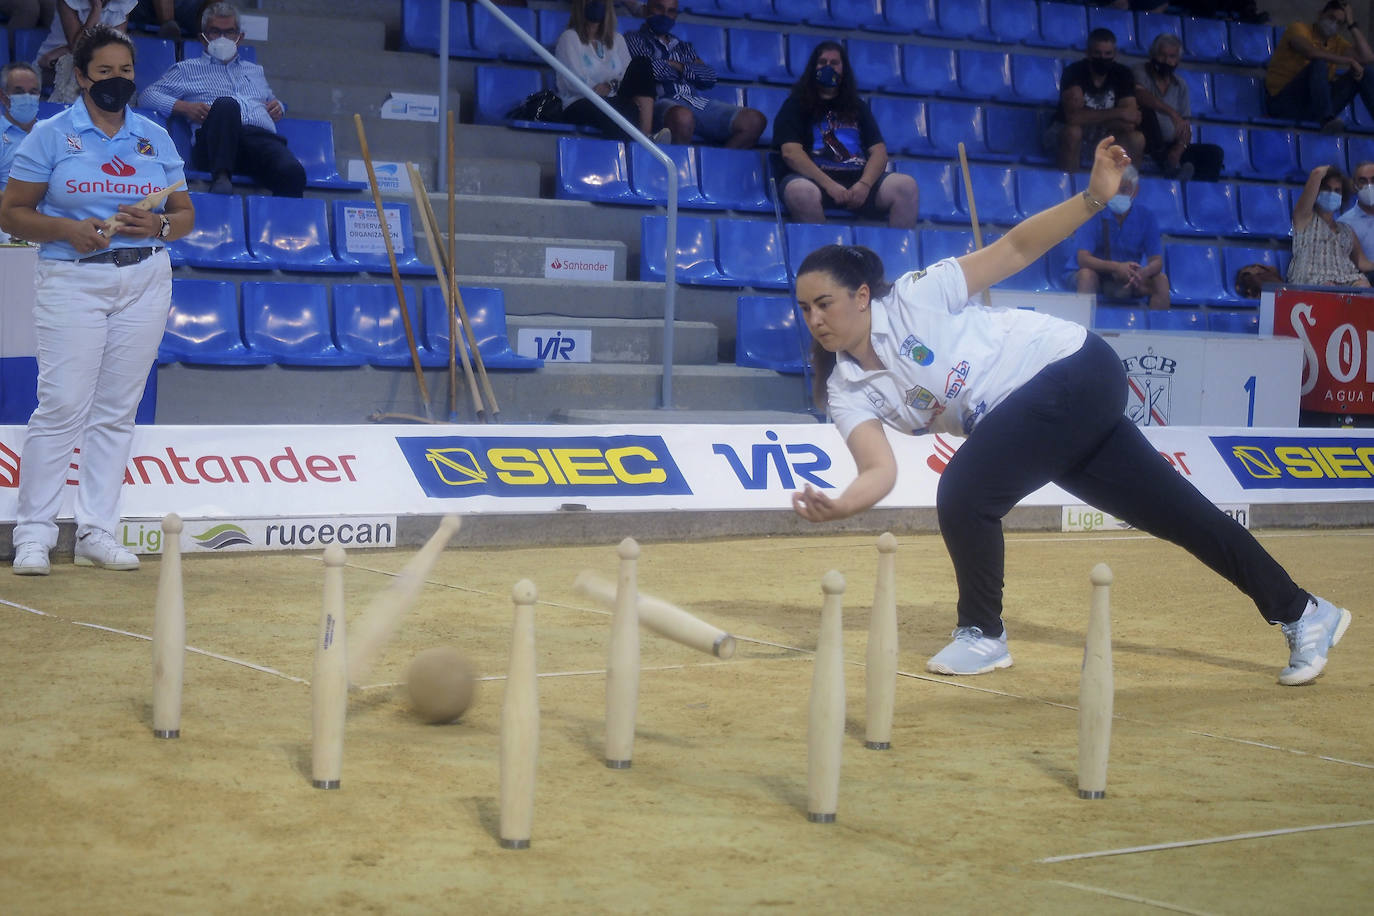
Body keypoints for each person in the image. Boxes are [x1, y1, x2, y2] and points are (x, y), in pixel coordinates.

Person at [788, 137, 1351, 687]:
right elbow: (878, 471)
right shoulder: (846, 389)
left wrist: (1093, 199)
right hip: (1042, 417)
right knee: (1181, 515)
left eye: (825, 304)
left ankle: (982, 634)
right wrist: (839, 505)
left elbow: (1013, 250)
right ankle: (1305, 612)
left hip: (1071, 367)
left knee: (964, 492)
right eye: (805, 309)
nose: (815, 319)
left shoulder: (912, 296)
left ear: (862, 296)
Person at [0, 25, 193, 575]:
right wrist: (66, 230)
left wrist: (155, 222)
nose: (117, 81)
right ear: (82, 77)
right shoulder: (51, 134)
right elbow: (11, 212)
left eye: (125, 71)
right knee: (62, 405)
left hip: (147, 280)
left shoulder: (154, 136)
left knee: (116, 412)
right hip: (72, 280)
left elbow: (184, 217)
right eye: (104, 72)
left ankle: (97, 530)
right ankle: (33, 533)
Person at [138, 1, 305, 197]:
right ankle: (221, 180)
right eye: (215, 32)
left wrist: (278, 107)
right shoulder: (186, 69)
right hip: (215, 144)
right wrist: (184, 107)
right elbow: (147, 96)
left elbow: (271, 99)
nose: (223, 38)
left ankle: (282, 226)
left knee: (293, 173)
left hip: (259, 142)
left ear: (240, 38)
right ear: (202, 38)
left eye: (230, 32)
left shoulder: (255, 71)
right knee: (227, 104)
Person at [773, 41, 917, 229]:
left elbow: (879, 152)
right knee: (800, 191)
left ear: (843, 69)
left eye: (834, 63)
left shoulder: (858, 106)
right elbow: (791, 153)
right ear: (813, 68)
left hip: (858, 182)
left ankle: (900, 257)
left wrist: (864, 185)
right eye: (822, 62)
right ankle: (824, 255)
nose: (828, 67)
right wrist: (829, 185)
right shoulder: (794, 105)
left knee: (906, 186)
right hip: (813, 181)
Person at [622, 0, 765, 148]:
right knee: (683, 117)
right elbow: (649, 69)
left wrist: (676, 66)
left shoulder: (684, 47)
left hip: (694, 102)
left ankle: (715, 170)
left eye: (671, 11)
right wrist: (688, 69)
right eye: (659, 8)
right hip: (657, 103)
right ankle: (677, 169)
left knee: (753, 120)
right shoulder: (633, 38)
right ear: (646, 10)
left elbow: (709, 77)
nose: (665, 15)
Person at [553, 0, 659, 142]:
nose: (597, 3)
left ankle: (646, 137)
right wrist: (601, 90)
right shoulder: (569, 38)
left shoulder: (618, 39)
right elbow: (574, 82)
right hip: (579, 102)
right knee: (619, 112)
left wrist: (610, 86)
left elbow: (627, 76)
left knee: (642, 64)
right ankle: (643, 144)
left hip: (613, 99)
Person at [1066, 165, 1169, 310]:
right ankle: (1084, 329)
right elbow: (1083, 259)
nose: (1117, 194)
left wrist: (1142, 273)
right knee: (1086, 276)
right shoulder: (1092, 212)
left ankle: (1159, 331)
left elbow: (1157, 261)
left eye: (1124, 189)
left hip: (1129, 277)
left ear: (1135, 191)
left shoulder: (1147, 217)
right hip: (1094, 273)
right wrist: (1117, 267)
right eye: (1113, 189)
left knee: (1161, 281)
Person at [1265, 0, 1374, 133]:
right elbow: (1311, 52)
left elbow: (1368, 57)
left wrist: (1351, 24)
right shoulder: (1298, 28)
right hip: (1284, 104)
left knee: (1366, 72)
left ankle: (1326, 119)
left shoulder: (1337, 43)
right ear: (1320, 14)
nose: (1333, 24)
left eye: (1339, 23)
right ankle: (1327, 119)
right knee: (1318, 64)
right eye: (1331, 18)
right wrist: (1350, 61)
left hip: (1313, 107)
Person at [1047, 28, 1145, 171]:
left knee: (1137, 139)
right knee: (1073, 132)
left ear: (1115, 54)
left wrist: (1087, 116)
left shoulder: (1123, 74)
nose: (1103, 58)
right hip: (1066, 134)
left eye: (1107, 54)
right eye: (1097, 53)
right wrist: (1119, 113)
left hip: (1103, 135)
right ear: (1088, 53)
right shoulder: (1074, 72)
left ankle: (1123, 191)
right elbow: (1073, 118)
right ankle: (1071, 186)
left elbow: (1130, 121)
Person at [1131, 33, 1224, 182]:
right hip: (1146, 144)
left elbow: (1185, 125)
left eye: (1172, 57)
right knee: (1147, 113)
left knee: (1214, 153)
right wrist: (1172, 113)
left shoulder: (1180, 85)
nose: (1167, 61)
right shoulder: (1139, 71)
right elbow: (1140, 96)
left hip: (1171, 146)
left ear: (1178, 60)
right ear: (1152, 55)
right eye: (1162, 55)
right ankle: (1168, 167)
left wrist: (1178, 149)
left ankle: (1196, 196)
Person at [35, 0, 138, 104]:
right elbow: (78, 47)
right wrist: (96, 8)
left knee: (117, 70)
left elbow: (116, 48)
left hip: (93, 59)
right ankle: (68, 112)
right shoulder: (67, 2)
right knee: (77, 64)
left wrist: (64, 50)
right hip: (51, 66)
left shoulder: (123, 3)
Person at [1290, 164, 1372, 287]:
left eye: (1337, 190)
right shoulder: (1304, 218)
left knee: (1364, 286)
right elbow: (1316, 173)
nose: (1332, 193)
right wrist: (1333, 169)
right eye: (1327, 189)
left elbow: (1363, 263)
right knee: (1328, 287)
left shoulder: (1347, 229)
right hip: (1313, 279)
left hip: (1345, 278)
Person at [1338, 159, 1374, 281]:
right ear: (1355, 185)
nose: (1369, 186)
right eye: (1363, 181)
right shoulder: (1344, 223)